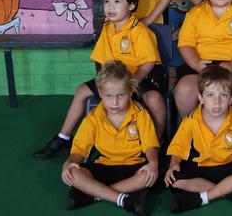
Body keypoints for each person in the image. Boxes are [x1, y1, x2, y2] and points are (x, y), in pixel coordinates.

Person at [33, 0, 167, 160]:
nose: (111, 7)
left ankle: (155, 144)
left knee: (155, 99)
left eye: (117, 1)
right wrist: (107, 84)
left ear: (132, 5)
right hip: (115, 76)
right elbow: (103, 62)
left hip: (143, 74)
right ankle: (63, 138)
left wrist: (132, 83)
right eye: (107, 1)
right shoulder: (108, 28)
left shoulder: (140, 30)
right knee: (81, 91)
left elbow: (148, 63)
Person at [60, 61, 159, 215]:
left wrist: (153, 163)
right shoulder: (93, 117)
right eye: (108, 96)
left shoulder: (140, 114)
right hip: (104, 165)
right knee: (73, 173)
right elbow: (79, 149)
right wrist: (70, 163)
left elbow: (150, 145)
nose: (115, 102)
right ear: (100, 93)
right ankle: (123, 199)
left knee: (147, 176)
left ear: (130, 91)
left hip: (133, 166)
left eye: (121, 95)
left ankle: (93, 195)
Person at [165, 65, 232, 213]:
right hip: (200, 167)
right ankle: (230, 192)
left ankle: (202, 198)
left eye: (223, 95)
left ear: (231, 99)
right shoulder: (190, 121)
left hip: (228, 166)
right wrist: (174, 164)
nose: (217, 102)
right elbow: (178, 149)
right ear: (201, 98)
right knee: (174, 178)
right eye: (210, 95)